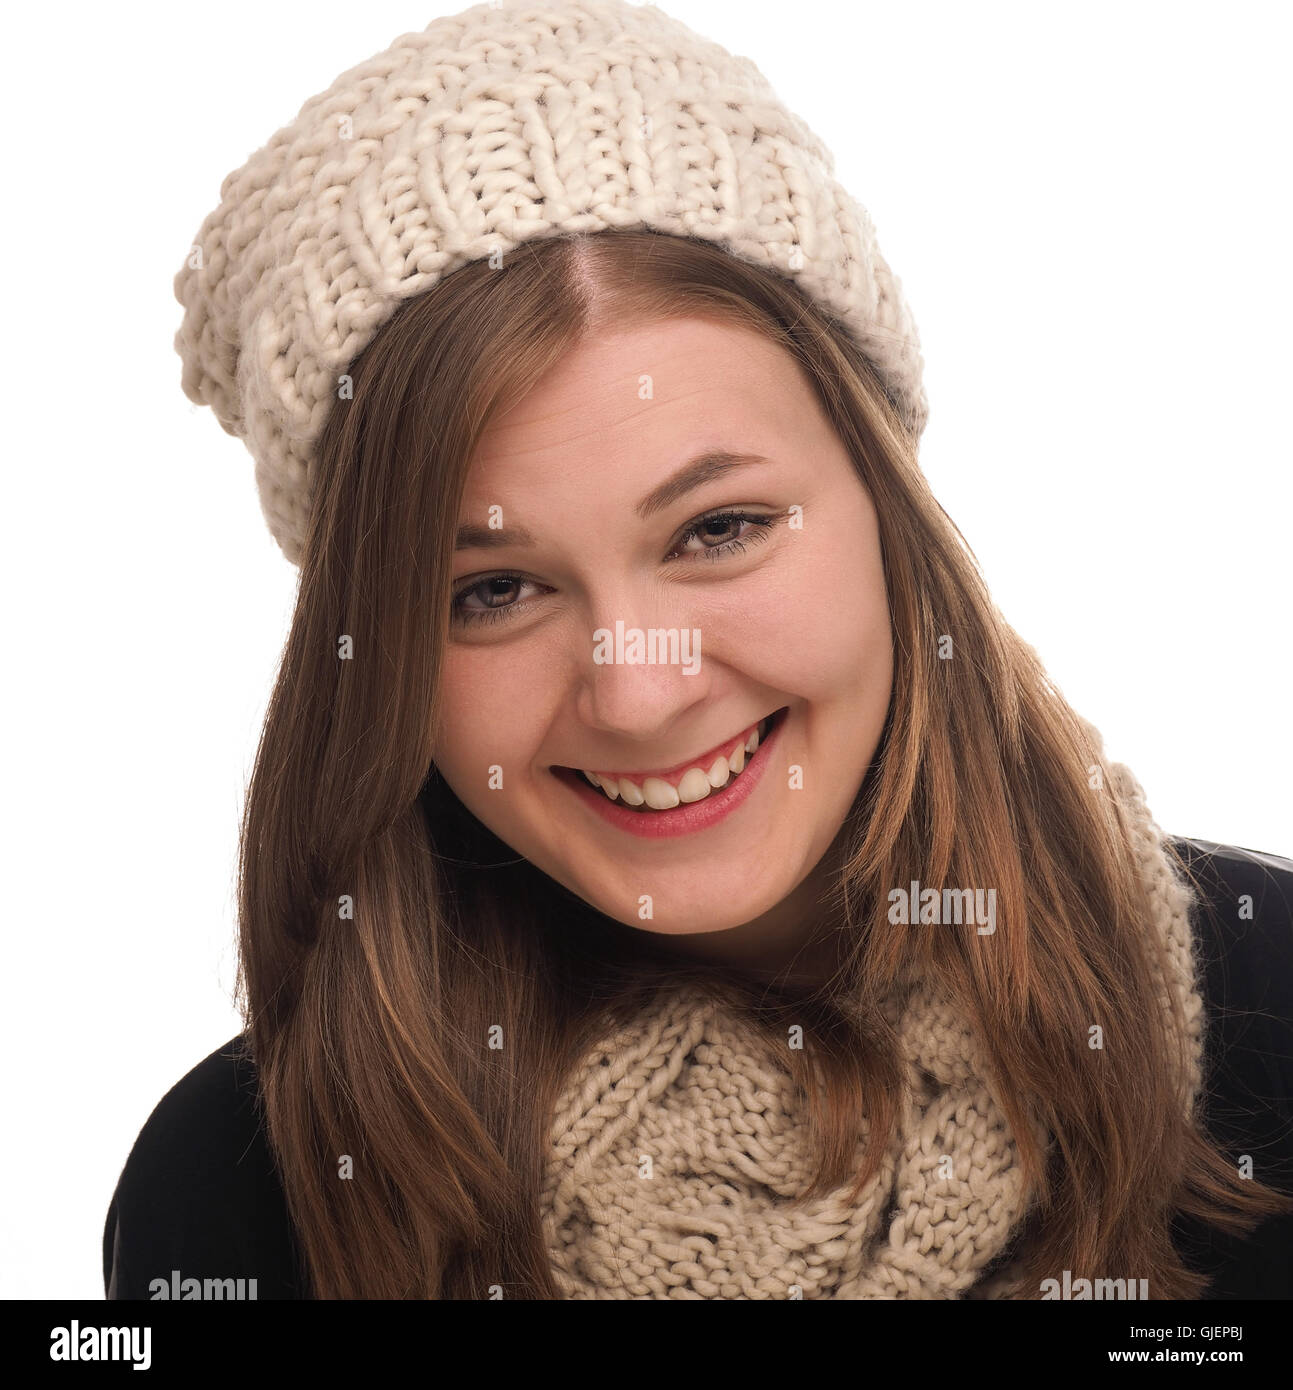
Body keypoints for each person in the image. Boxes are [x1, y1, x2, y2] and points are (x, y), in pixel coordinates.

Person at [105, 0, 1293, 1299]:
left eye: (718, 527)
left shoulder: (1270, 994)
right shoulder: (230, 1199)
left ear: (884, 506)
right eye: (493, 590)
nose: (638, 686)